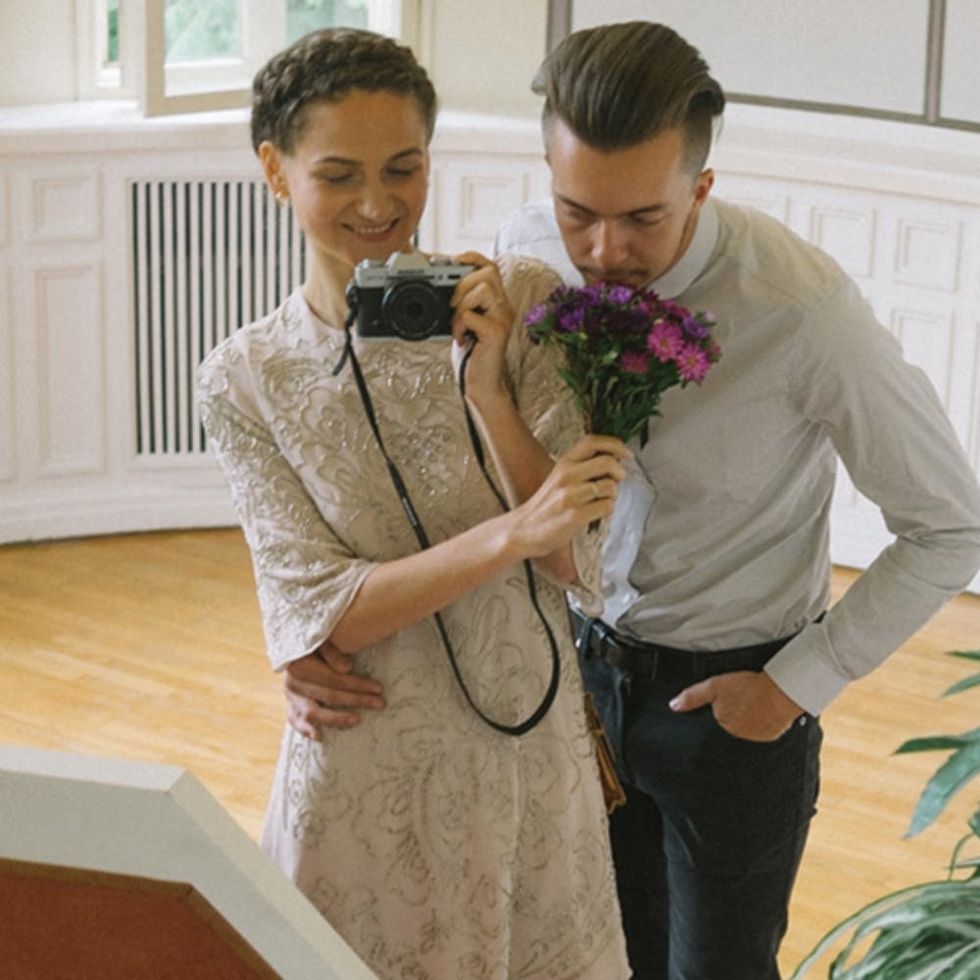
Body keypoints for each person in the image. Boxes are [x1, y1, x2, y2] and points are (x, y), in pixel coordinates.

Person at [285, 20, 980, 980]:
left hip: (731, 707)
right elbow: (489, 489)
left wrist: (795, 685)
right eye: (578, 211)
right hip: (565, 682)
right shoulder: (525, 257)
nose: (603, 250)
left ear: (702, 185)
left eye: (644, 219)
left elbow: (951, 525)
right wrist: (317, 635)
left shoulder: (802, 310)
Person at [196, 27, 633, 980]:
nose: (377, 204)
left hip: (526, 739)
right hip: (366, 750)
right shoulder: (243, 378)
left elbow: (572, 559)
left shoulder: (519, 301)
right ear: (274, 169)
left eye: (405, 167)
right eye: (338, 173)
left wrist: (489, 393)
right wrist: (511, 533)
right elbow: (323, 612)